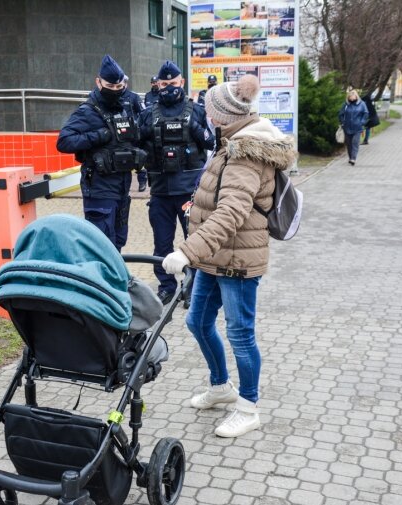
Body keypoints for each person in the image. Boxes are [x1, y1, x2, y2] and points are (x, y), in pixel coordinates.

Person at [160, 74, 296, 438]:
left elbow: (231, 213)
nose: (204, 112)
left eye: (208, 107)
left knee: (240, 335)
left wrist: (186, 252)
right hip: (215, 256)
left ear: (223, 115)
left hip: (237, 262)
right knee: (198, 322)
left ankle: (248, 406)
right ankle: (221, 387)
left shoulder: (246, 152)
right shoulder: (231, 142)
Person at [138, 60, 214, 304]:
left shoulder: (197, 111)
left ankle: (191, 287)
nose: (169, 87)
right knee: (162, 243)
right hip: (160, 192)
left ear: (181, 82)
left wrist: (193, 128)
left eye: (173, 83)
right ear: (157, 85)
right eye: (164, 84)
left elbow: (212, 143)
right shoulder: (148, 114)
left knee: (192, 241)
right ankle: (166, 286)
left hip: (189, 192)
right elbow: (136, 145)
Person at [56, 55, 147, 251]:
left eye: (118, 87)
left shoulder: (126, 108)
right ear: (98, 82)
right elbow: (64, 141)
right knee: (100, 245)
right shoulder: (88, 111)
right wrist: (99, 135)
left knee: (118, 242)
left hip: (122, 185)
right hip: (99, 187)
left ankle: (115, 280)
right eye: (110, 86)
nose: (115, 91)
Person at [121, 75, 148, 192]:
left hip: (132, 134)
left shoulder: (133, 97)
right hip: (119, 135)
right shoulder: (112, 98)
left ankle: (142, 181)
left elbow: (144, 113)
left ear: (126, 84)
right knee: (122, 160)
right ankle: (123, 185)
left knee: (137, 158)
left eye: (123, 83)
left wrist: (137, 125)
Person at [338, 89, 368, 165]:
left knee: (355, 143)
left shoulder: (362, 104)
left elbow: (366, 113)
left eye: (353, 96)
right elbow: (340, 114)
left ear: (356, 96)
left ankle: (353, 158)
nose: (351, 98)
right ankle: (350, 157)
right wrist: (342, 122)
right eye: (350, 97)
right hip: (347, 127)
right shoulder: (346, 105)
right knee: (349, 144)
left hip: (357, 127)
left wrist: (362, 122)